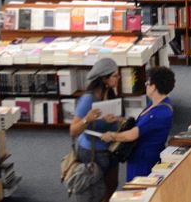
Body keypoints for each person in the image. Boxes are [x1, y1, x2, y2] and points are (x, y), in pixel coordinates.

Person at [104, 65, 176, 181]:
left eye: (148, 83)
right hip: (139, 157)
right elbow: (142, 123)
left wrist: (112, 136)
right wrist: (119, 119)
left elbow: (132, 134)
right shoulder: (156, 104)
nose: (145, 85)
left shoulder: (159, 112)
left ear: (154, 86)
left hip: (144, 162)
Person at [67, 57, 121, 202]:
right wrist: (87, 119)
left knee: (111, 186)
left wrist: (115, 120)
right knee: (95, 191)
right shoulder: (88, 100)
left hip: (109, 149)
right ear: (104, 78)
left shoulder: (109, 93)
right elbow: (73, 130)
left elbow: (104, 119)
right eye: (115, 75)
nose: (118, 78)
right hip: (93, 153)